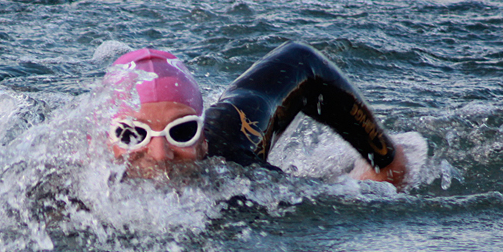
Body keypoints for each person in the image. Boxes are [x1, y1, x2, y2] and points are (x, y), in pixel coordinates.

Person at [106, 41, 407, 190]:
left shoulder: (239, 171)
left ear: (202, 140)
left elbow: (302, 62)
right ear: (104, 140)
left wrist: (383, 163)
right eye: (132, 134)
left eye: (181, 131)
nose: (160, 155)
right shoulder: (74, 184)